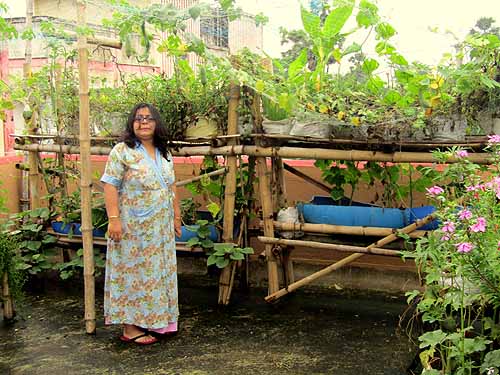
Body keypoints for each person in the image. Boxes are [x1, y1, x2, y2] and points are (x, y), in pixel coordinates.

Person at [101, 103, 182, 345]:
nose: (143, 122)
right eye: (138, 118)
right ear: (131, 123)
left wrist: (176, 216)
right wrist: (113, 220)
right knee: (132, 273)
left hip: (160, 229)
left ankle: (157, 321)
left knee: (157, 274)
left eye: (148, 118)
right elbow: (110, 184)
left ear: (157, 123)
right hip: (132, 228)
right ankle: (130, 327)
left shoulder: (164, 153)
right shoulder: (121, 151)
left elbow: (171, 186)